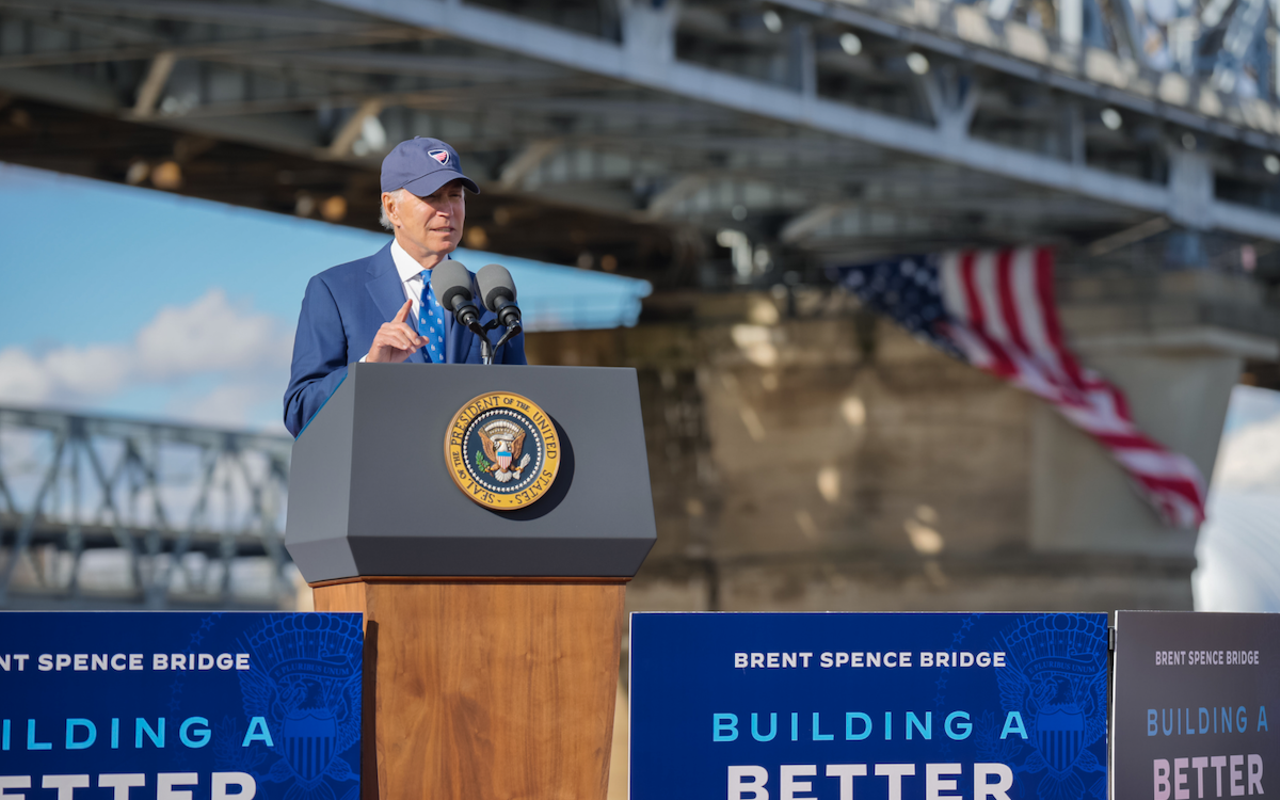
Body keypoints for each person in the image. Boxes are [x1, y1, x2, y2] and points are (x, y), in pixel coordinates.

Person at [283, 137, 526, 437]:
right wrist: (368, 367)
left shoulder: (492, 295)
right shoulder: (334, 291)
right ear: (392, 207)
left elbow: (520, 409)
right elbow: (299, 412)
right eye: (432, 197)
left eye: (455, 196)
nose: (448, 210)